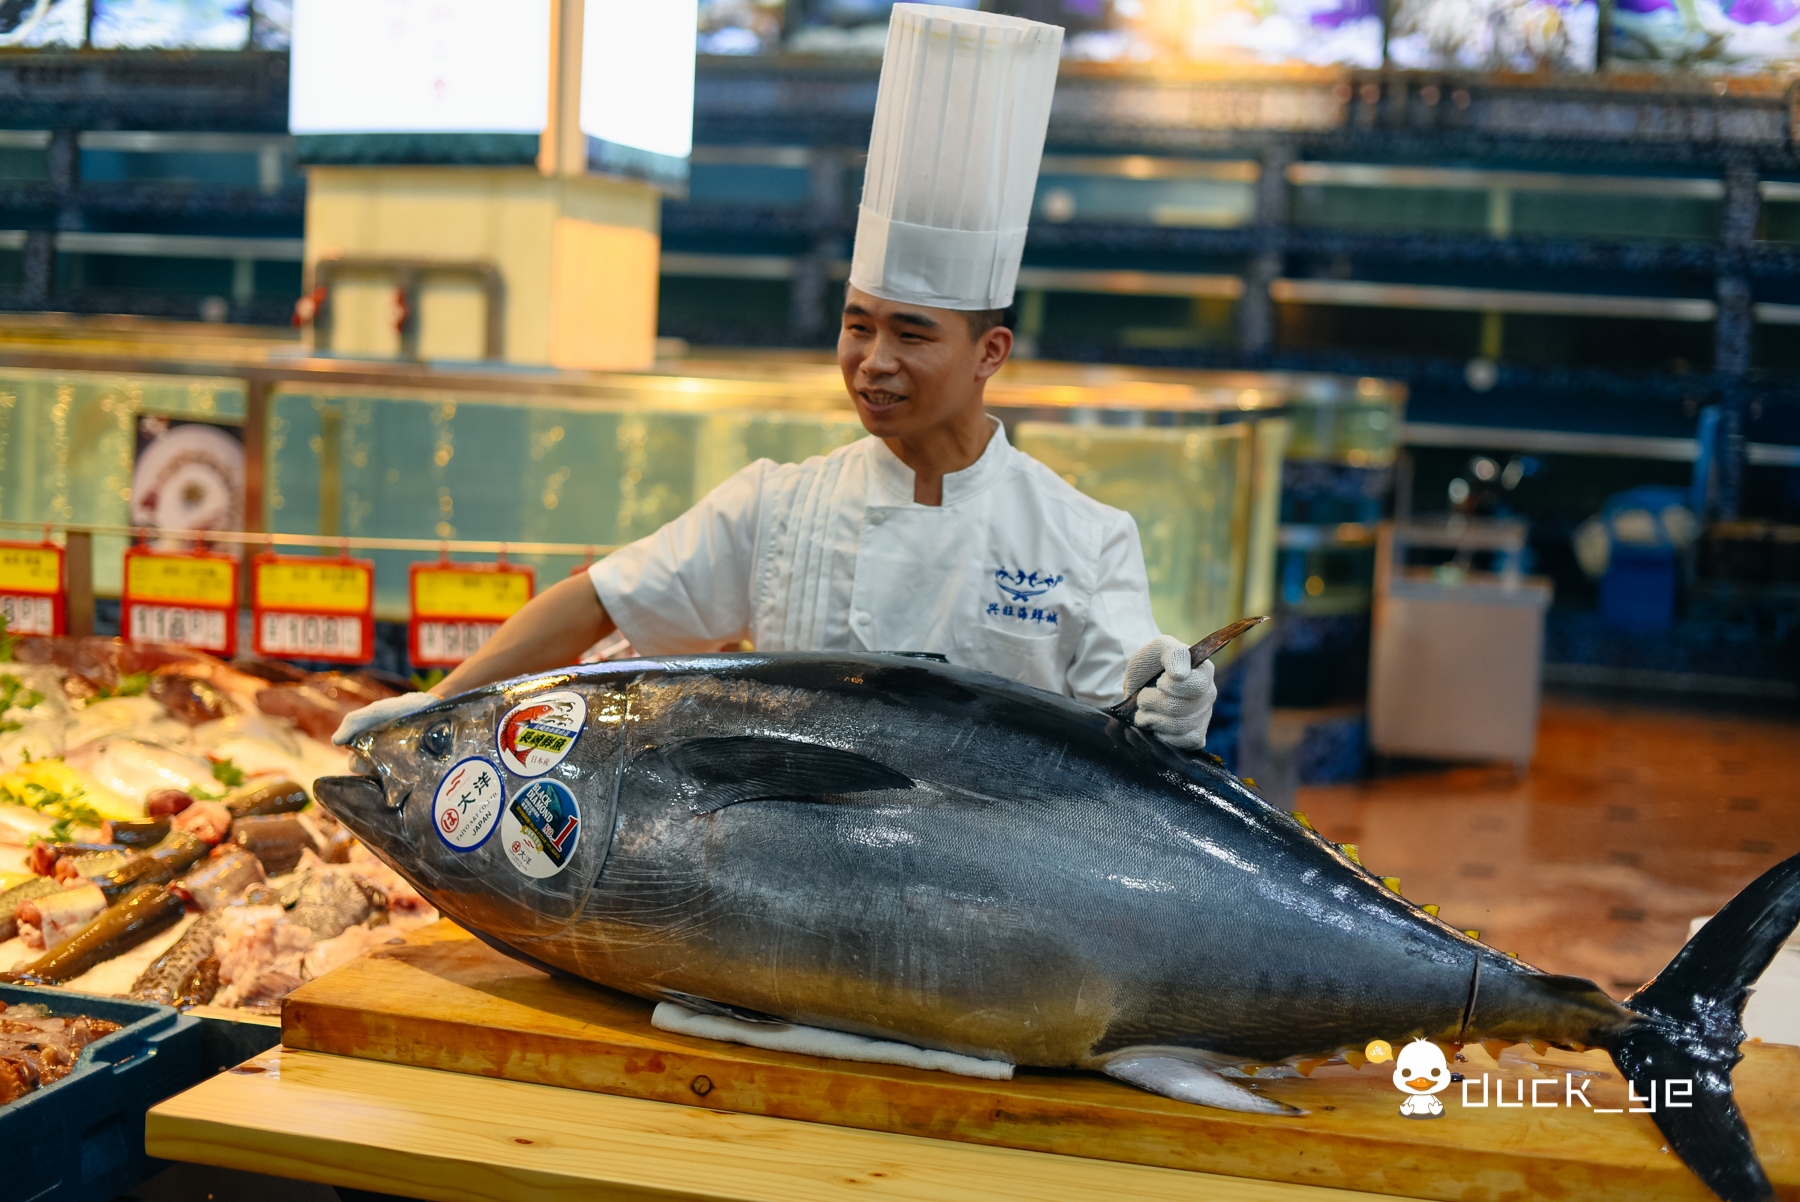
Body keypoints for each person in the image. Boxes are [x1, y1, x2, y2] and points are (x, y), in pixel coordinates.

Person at [334, 5, 1216, 750]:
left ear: (990, 353)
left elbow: (1129, 719)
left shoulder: (1084, 538)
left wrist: (1170, 707)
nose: (873, 361)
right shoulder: (781, 509)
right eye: (856, 325)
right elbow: (597, 601)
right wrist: (442, 705)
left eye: (911, 333)